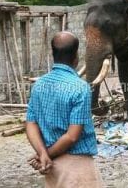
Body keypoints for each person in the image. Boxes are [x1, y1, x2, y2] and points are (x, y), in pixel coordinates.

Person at [26, 31, 102, 187]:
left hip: (52, 169)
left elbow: (30, 124)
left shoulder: (39, 85)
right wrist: (45, 156)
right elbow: (72, 137)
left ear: (52, 54)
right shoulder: (80, 87)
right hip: (78, 168)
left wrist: (42, 154)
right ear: (76, 57)